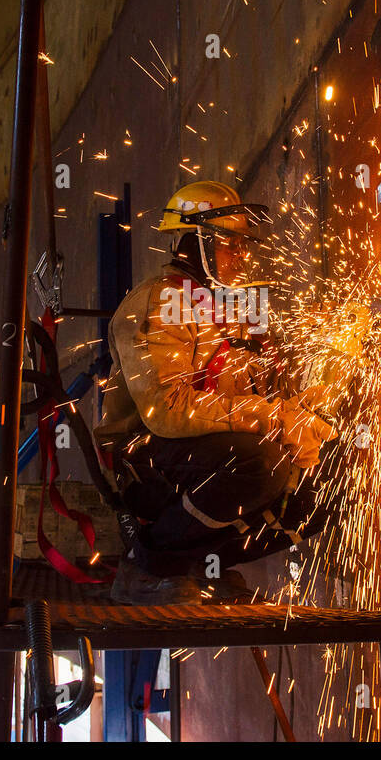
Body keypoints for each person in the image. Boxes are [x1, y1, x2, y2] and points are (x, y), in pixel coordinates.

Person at [94, 181, 341, 605]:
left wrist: (302, 408)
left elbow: (250, 401)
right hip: (147, 460)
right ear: (193, 243)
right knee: (261, 461)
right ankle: (148, 565)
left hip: (200, 453)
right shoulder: (162, 302)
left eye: (244, 244)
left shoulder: (233, 312)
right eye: (230, 243)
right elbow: (167, 411)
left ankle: (202, 563)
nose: (242, 256)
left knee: (335, 475)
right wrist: (272, 418)